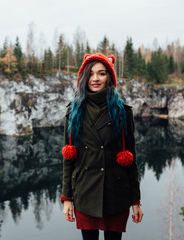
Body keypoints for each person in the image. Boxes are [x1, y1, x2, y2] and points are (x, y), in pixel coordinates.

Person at [61, 53, 143, 240]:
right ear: (83, 78)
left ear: (110, 78)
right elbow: (68, 157)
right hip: (85, 192)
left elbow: (131, 158)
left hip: (116, 192)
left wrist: (135, 201)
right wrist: (67, 198)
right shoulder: (73, 111)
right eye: (90, 74)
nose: (95, 79)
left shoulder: (123, 112)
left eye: (101, 73)